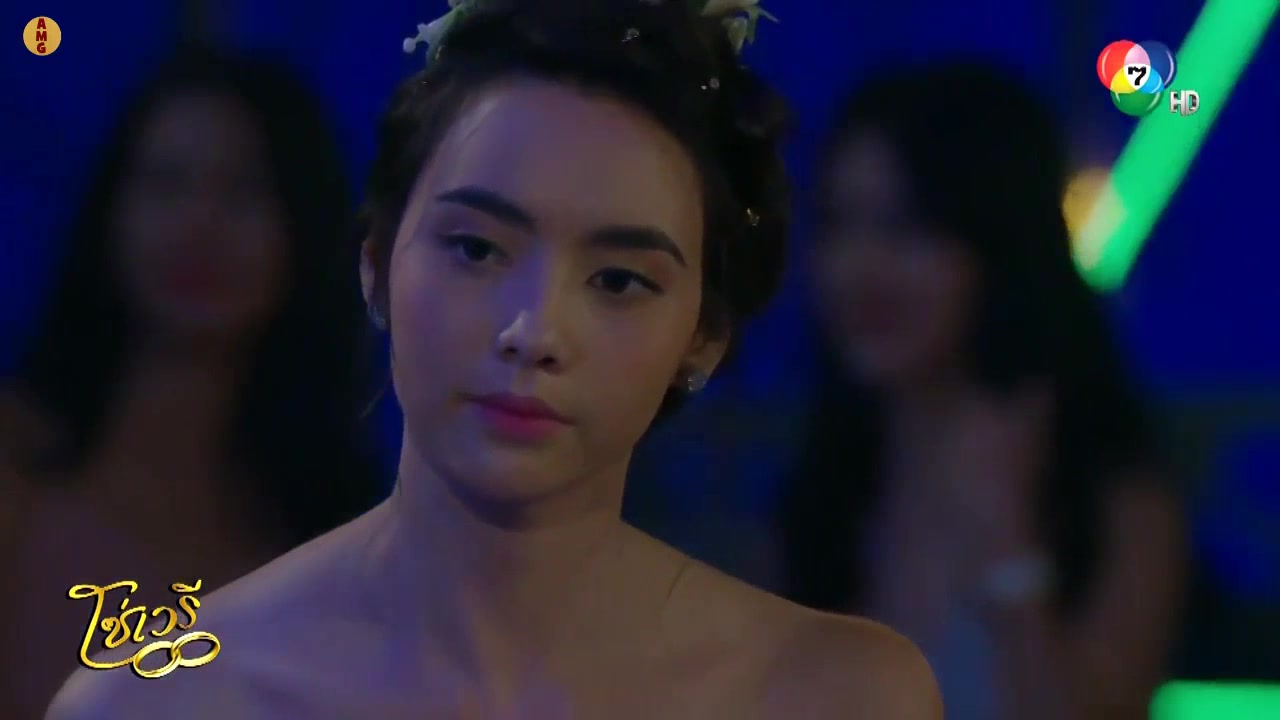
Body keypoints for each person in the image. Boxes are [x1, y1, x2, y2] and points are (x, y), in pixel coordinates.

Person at [46, 2, 942, 718]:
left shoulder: (836, 693)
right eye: (476, 249)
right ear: (375, 267)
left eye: (619, 280)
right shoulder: (162, 700)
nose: (533, 330)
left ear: (702, 337)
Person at [777, 58, 1185, 719]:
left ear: (999, 243)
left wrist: (1010, 556)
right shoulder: (826, 493)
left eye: (906, 227)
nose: (860, 267)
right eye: (839, 224)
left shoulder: (1111, 502)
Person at [0, 47, 386, 718]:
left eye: (243, 191)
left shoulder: (336, 536)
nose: (199, 225)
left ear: (304, 225)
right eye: (165, 183)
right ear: (110, 210)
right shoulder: (19, 460)